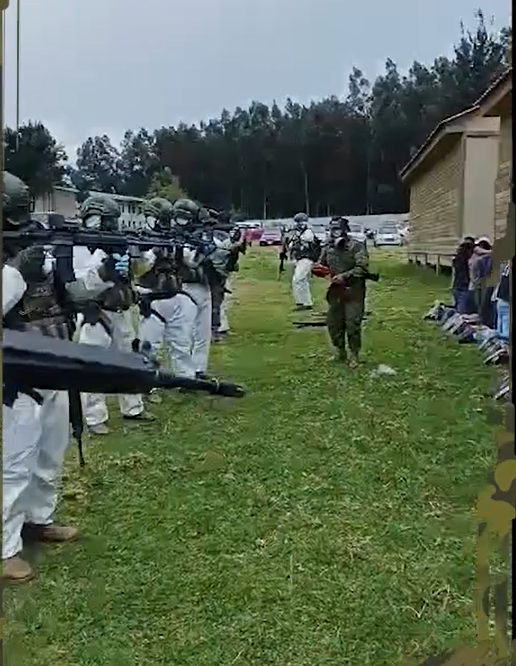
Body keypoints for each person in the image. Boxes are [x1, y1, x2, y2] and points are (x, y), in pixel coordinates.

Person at [2, 172, 121, 583]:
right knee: (14, 457)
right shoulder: (13, 258)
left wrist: (102, 276)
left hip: (52, 353)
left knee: (51, 448)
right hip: (14, 369)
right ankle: (5, 546)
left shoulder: (31, 245)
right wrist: (17, 269)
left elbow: (67, 296)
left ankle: (38, 518)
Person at [74, 194, 154, 435]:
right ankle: (94, 416)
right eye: (101, 220)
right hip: (96, 313)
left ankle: (133, 408)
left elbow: (138, 272)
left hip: (123, 310)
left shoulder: (119, 243)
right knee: (94, 365)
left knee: (128, 360)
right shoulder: (79, 246)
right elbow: (79, 284)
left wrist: (136, 257)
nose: (105, 225)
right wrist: (103, 267)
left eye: (109, 220)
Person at [135, 197, 197, 384]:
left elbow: (189, 262)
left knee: (182, 342)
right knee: (149, 345)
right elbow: (138, 268)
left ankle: (185, 378)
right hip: (149, 297)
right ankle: (148, 381)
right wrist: (154, 251)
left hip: (174, 295)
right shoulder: (140, 238)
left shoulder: (173, 238)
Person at [318, 216, 369, 368]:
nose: (334, 232)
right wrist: (319, 270)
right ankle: (340, 352)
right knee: (334, 325)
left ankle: (354, 354)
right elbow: (321, 264)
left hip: (354, 290)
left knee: (352, 324)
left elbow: (362, 268)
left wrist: (344, 276)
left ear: (345, 230)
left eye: (337, 229)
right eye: (332, 229)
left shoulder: (356, 246)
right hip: (335, 292)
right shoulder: (328, 247)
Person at [172, 198, 214, 378]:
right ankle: (184, 373)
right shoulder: (173, 236)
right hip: (184, 287)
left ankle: (199, 369)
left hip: (203, 285)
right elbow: (188, 261)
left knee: (203, 333)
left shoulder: (200, 234)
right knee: (183, 333)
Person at [287, 212, 318, 311]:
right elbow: (291, 245)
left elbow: (305, 241)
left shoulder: (308, 232)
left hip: (307, 258)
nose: (299, 224)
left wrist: (295, 238)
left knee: (298, 279)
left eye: (301, 222)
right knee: (302, 280)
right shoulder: (297, 232)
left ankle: (301, 302)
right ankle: (306, 302)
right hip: (299, 258)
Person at [451, 237, 474, 313]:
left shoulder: (457, 258)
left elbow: (454, 273)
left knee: (458, 307)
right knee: (462, 311)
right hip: (465, 286)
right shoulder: (471, 259)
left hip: (457, 285)